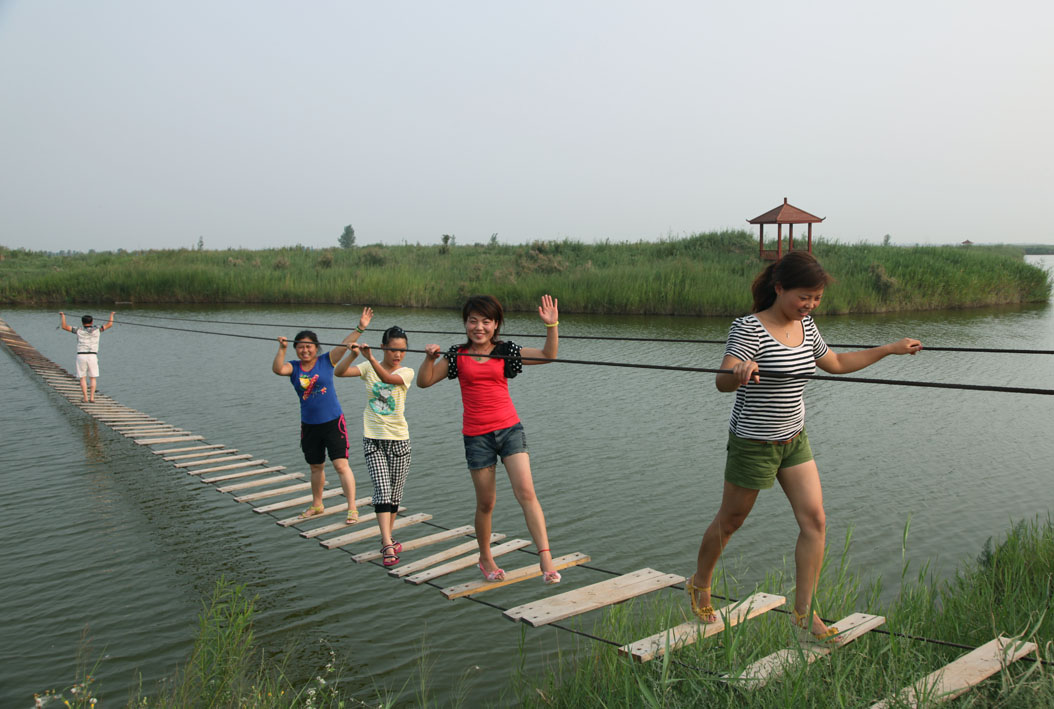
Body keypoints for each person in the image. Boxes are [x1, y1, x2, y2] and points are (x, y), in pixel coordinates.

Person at [688, 252, 922, 642]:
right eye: (804, 297)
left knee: (815, 521)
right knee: (730, 522)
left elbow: (836, 363)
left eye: (816, 298)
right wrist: (739, 372)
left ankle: (803, 611)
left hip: (794, 439)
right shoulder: (749, 328)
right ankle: (699, 582)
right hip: (754, 442)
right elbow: (722, 381)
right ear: (779, 288)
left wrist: (888, 349)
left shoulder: (807, 326)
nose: (810, 305)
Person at [418, 294, 563, 584]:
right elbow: (424, 381)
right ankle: (485, 557)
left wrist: (552, 325)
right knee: (486, 503)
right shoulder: (457, 355)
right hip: (476, 436)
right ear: (465, 324)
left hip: (509, 429)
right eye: (473, 321)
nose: (479, 327)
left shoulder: (505, 351)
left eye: (486, 321)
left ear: (496, 325)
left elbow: (549, 355)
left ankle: (545, 557)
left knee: (526, 492)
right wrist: (428, 359)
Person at [272, 308, 372, 521]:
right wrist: (282, 349)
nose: (305, 351)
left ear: (316, 348)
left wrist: (360, 327)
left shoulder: (327, 360)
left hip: (333, 422)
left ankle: (352, 507)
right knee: (316, 466)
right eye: (300, 347)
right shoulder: (294, 367)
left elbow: (346, 344)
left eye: (308, 347)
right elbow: (278, 369)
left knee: (340, 464)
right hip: (309, 425)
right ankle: (317, 504)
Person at [335, 326, 415, 567]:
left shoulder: (407, 372)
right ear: (383, 347)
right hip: (373, 438)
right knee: (382, 489)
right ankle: (387, 542)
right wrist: (353, 355)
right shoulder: (367, 366)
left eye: (402, 350)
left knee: (395, 495)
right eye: (392, 349)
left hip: (400, 440)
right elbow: (339, 372)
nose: (397, 354)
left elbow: (388, 379)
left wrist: (370, 358)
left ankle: (386, 539)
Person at [59, 311, 115, 402]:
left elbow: (64, 326)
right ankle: (92, 398)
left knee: (83, 377)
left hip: (81, 356)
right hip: (92, 356)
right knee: (93, 378)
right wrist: (112, 315)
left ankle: (85, 398)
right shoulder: (97, 329)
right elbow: (110, 324)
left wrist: (63, 316)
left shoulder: (78, 330)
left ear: (82, 322)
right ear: (92, 322)